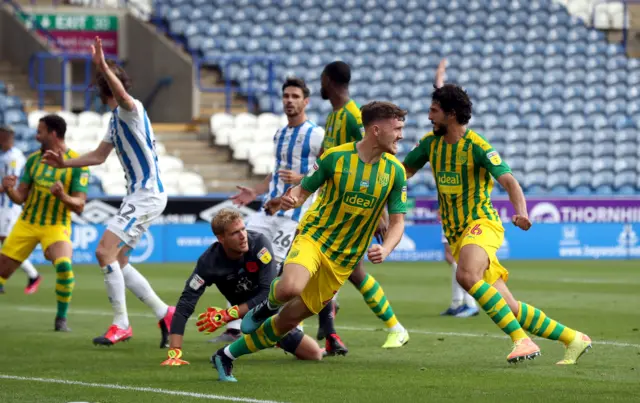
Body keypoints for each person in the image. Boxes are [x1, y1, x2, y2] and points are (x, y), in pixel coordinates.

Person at [209, 101, 409, 382]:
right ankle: (265, 306)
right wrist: (294, 198)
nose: (401, 135)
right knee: (290, 286)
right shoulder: (335, 158)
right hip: (315, 238)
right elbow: (303, 189)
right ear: (376, 130)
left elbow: (398, 222)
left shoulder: (395, 172)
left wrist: (386, 247)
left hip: (342, 262)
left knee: (286, 323)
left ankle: (226, 356)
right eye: (397, 128)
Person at [402, 84, 591, 364]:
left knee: (465, 275)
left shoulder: (478, 147)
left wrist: (521, 212)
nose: (429, 116)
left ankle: (521, 341)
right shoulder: (430, 145)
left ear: (451, 114)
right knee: (509, 306)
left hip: (482, 224)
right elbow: (403, 172)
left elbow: (509, 181)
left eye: (434, 111)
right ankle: (573, 339)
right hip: (456, 233)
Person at [41, 37, 174, 347]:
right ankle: (164, 313)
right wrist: (66, 163)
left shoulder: (132, 109)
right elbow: (99, 157)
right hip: (139, 195)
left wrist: (102, 65)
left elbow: (124, 96)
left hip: (148, 193)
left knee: (103, 252)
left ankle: (121, 324)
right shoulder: (115, 121)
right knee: (119, 260)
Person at [222, 77, 348, 351]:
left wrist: (302, 176)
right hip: (267, 209)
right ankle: (234, 325)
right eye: (286, 96)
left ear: (306, 101)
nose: (289, 100)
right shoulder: (280, 134)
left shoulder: (316, 135)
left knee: (274, 268)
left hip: (294, 214)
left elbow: (330, 170)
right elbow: (276, 172)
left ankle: (293, 328)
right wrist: (254, 192)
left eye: (295, 96)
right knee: (236, 256)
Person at [314, 61, 409, 349]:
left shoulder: (355, 117)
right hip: (331, 207)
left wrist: (379, 211)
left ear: (326, 80)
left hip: (355, 209)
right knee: (339, 270)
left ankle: (391, 327)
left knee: (348, 270)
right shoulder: (334, 117)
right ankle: (328, 325)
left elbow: (373, 159)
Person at [160, 209, 324, 366]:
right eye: (235, 233)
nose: (243, 236)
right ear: (221, 238)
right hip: (252, 318)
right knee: (311, 353)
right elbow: (185, 304)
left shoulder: (259, 244)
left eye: (243, 229)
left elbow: (268, 293)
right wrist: (175, 352)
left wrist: (227, 315)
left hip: (275, 307)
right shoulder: (209, 263)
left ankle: (327, 331)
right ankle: (270, 337)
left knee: (314, 354)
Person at [0, 115, 88, 331]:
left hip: (56, 225)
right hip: (27, 223)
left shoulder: (77, 164)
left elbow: (79, 205)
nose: (36, 135)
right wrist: (10, 189)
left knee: (65, 268)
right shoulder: (32, 160)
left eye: (40, 131)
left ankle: (61, 319)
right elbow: (21, 197)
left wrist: (63, 196)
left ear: (54, 134)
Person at [0, 125, 41, 294]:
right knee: (6, 243)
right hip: (2, 205)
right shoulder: (3, 155)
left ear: (7, 137)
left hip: (10, 206)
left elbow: (12, 183)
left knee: (7, 242)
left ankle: (33, 275)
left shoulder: (15, 157)